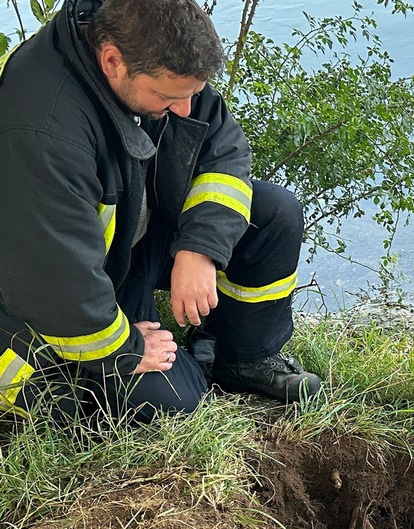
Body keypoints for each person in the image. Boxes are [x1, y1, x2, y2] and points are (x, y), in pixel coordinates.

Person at [0, 0, 319, 424]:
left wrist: (199, 248)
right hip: (50, 288)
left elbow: (224, 151)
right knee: (173, 400)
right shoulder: (44, 130)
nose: (186, 109)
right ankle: (177, 365)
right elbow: (56, 280)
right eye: (170, 97)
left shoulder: (151, 52)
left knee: (275, 213)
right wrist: (127, 347)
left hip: (125, 247)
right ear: (112, 61)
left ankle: (243, 359)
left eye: (193, 94)